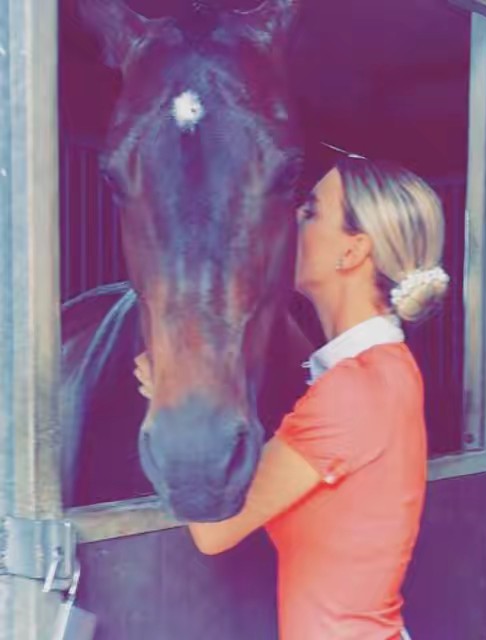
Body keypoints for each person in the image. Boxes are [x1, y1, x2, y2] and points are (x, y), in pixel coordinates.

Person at [134, 156, 449, 639]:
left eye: (311, 211)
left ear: (353, 251)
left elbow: (214, 530)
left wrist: (172, 394)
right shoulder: (387, 368)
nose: (292, 219)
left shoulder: (354, 390)